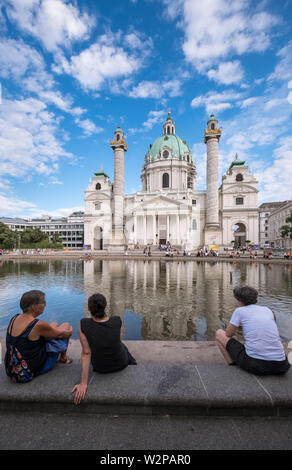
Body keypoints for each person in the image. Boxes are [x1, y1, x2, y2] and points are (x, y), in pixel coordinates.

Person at [72, 293, 137, 405]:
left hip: (100, 367)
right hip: (121, 363)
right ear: (105, 306)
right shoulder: (117, 320)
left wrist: (83, 383)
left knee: (118, 345)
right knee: (122, 346)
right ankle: (134, 364)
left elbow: (86, 353)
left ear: (88, 308)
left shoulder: (84, 323)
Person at [216, 286, 290, 376]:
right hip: (282, 365)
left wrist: (237, 326)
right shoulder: (268, 310)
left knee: (219, 333)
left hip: (258, 366)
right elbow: (267, 327)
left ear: (239, 300)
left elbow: (228, 334)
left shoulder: (240, 311)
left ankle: (232, 364)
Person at [5, 290, 73, 382]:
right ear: (34, 307)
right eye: (43, 302)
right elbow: (62, 334)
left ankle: (61, 356)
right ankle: (63, 358)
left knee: (54, 323)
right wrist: (69, 332)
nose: (45, 305)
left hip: (12, 368)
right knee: (66, 325)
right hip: (28, 371)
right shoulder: (38, 325)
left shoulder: (14, 318)